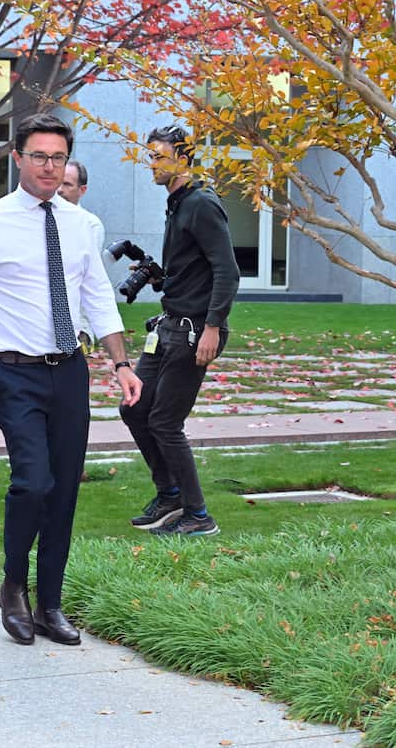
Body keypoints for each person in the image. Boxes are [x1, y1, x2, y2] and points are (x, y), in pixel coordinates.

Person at [0, 113, 141, 646]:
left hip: (69, 373)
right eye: (39, 156)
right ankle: (13, 585)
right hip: (13, 373)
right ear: (18, 158)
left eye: (57, 157)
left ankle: (50, 604)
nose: (49, 166)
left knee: (62, 492)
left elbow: (96, 297)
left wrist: (122, 364)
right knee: (32, 482)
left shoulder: (82, 224)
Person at [119, 125, 239, 537]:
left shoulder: (202, 203)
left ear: (183, 158)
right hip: (168, 325)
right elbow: (193, 269)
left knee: (166, 422)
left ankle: (198, 515)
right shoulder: (178, 203)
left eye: (158, 156)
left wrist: (213, 328)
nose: (151, 164)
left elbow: (228, 270)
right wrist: (159, 277)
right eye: (150, 156)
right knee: (134, 409)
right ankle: (168, 494)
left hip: (194, 332)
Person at [60, 160, 105, 252]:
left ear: (82, 190)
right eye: (57, 182)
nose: (59, 189)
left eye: (67, 184)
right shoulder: (38, 216)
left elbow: (89, 263)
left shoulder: (90, 224)